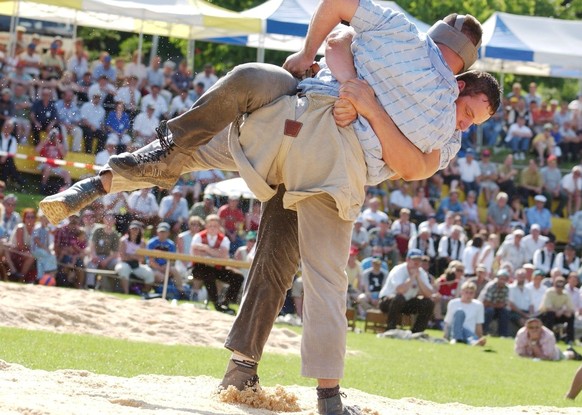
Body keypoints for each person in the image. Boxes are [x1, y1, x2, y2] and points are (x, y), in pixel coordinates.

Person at [40, 3, 498, 412]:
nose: (466, 122)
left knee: (220, 143)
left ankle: (106, 179)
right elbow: (412, 167)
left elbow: (338, 31)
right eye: (471, 113)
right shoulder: (442, 114)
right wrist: (357, 95)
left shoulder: (399, 32)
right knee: (321, 278)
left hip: (284, 117)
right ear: (462, 81)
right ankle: (328, 397)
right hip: (330, 162)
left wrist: (346, 85)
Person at [190, 214, 244, 314]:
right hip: (200, 268)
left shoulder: (224, 239)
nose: (212, 228)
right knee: (208, 273)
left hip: (217, 268)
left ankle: (226, 302)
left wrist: (206, 249)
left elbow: (223, 255)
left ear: (219, 227)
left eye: (215, 226)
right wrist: (215, 253)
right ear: (206, 226)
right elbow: (195, 252)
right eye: (210, 225)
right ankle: (216, 303)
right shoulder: (198, 236)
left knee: (238, 277)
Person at [378, 249, 435, 333]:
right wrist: (412, 277)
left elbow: (429, 294)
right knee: (399, 298)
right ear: (407, 260)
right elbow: (400, 290)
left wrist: (418, 278)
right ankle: (390, 329)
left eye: (419, 260)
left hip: (406, 302)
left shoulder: (422, 273)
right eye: (414, 259)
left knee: (429, 303)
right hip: (388, 302)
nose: (417, 262)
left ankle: (417, 332)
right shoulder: (398, 270)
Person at [114, 220, 155, 294]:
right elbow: (123, 257)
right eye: (133, 229)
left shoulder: (142, 242)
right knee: (123, 269)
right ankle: (126, 293)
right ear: (129, 230)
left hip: (136, 265)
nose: (134, 231)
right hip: (124, 263)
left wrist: (130, 255)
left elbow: (142, 259)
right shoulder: (123, 240)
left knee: (149, 273)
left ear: (140, 231)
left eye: (136, 229)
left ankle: (144, 293)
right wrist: (135, 256)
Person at [515, 317, 582, 361]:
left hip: (554, 354)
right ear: (526, 328)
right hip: (534, 354)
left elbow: (547, 358)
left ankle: (572, 353)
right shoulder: (521, 334)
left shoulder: (549, 335)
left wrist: (534, 344)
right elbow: (519, 353)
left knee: (565, 356)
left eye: (537, 327)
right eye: (531, 327)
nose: (534, 329)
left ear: (541, 327)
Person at [444, 281, 486, 346]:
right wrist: (445, 337)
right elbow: (448, 322)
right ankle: (456, 338)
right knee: (459, 312)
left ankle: (473, 342)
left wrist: (480, 337)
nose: (468, 295)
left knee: (469, 335)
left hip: (469, 332)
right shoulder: (453, 303)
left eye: (471, 293)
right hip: (453, 331)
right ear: (462, 292)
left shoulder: (478, 305)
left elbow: (478, 324)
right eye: (466, 292)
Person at [539, 276, 575, 344]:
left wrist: (562, 311)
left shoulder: (566, 294)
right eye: (558, 286)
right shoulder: (549, 292)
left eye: (562, 286)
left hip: (559, 315)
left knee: (571, 317)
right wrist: (559, 311)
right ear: (554, 285)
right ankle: (548, 338)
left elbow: (571, 310)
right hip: (546, 316)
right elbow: (547, 307)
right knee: (550, 314)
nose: (559, 288)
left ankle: (570, 340)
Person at [479, 269, 510, 337]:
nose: (502, 281)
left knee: (505, 312)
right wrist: (498, 305)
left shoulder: (506, 288)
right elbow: (485, 303)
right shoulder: (491, 286)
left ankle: (503, 335)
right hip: (483, 308)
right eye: (501, 278)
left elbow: (504, 303)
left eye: (504, 279)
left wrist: (497, 305)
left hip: (495, 308)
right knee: (490, 311)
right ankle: (483, 331)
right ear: (497, 278)